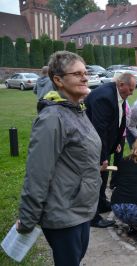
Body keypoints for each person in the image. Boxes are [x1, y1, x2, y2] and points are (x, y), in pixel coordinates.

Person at [16, 51, 105, 266]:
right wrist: (27, 220)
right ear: (58, 80)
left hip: (81, 208)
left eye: (85, 72)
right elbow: (37, 173)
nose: (85, 77)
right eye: (77, 73)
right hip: (64, 213)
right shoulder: (52, 118)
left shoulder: (76, 110)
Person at [85, 71, 136, 228]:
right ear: (121, 85)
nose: (132, 92)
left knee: (103, 175)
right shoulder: (104, 97)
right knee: (95, 179)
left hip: (104, 143)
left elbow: (117, 121)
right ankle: (92, 216)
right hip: (92, 144)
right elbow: (99, 129)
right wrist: (103, 156)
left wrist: (116, 143)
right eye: (131, 89)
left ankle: (101, 204)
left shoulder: (117, 95)